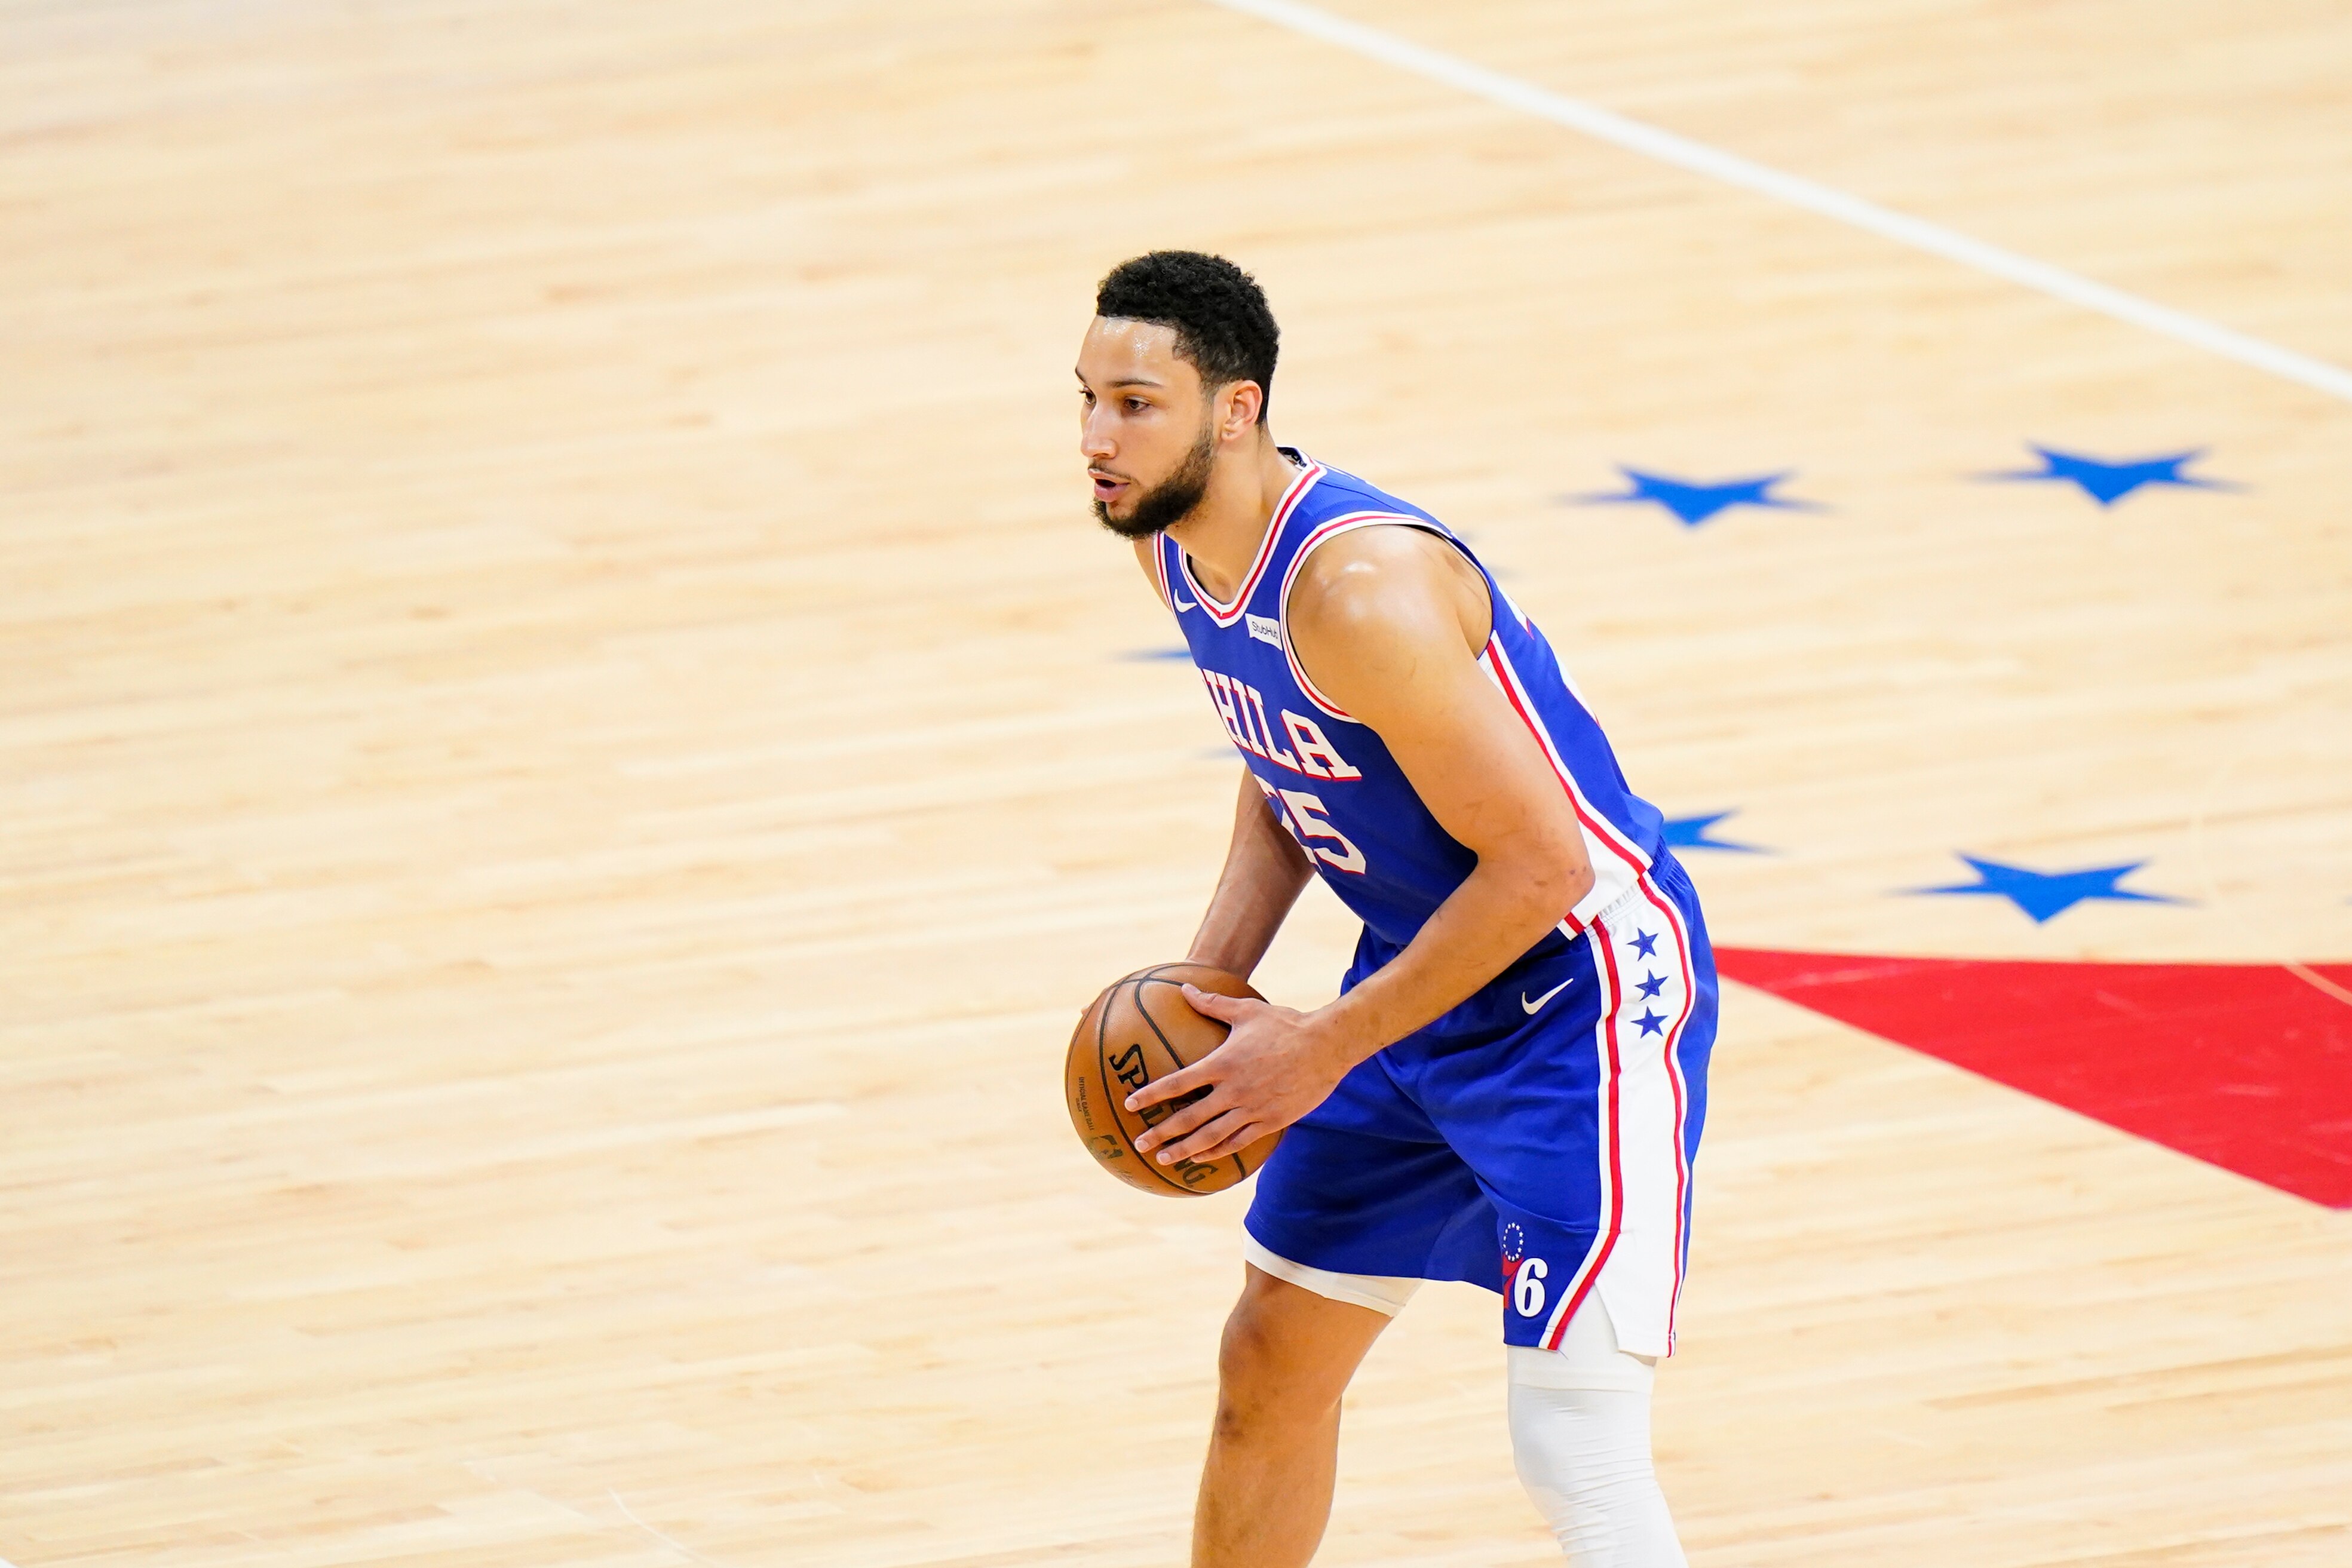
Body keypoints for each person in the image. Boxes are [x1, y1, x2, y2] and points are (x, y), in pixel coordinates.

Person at [1078, 250, 1717, 1568]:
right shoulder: (1174, 547)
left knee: (1575, 1446)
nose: (1096, 436)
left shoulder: (1357, 592)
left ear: (1236, 410)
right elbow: (1283, 763)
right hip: (1420, 980)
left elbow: (1542, 868)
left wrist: (1317, 1046)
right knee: (1268, 1359)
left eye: (1135, 404)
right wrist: (1208, 989)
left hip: (1580, 997)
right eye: (1085, 399)